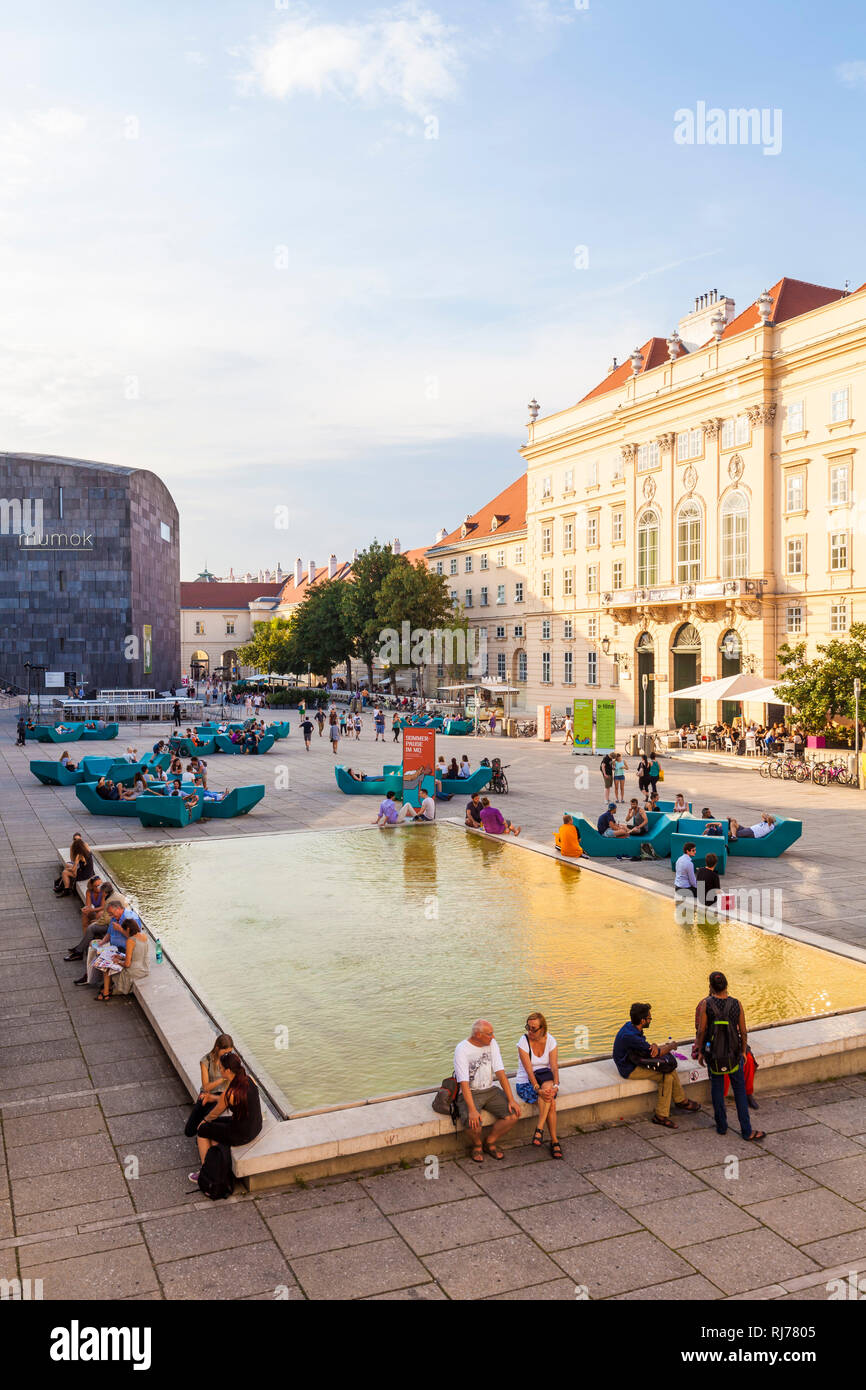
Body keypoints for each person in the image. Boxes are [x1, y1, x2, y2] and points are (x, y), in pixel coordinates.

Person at [694, 973, 765, 1141]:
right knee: (740, 1091)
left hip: (715, 1055)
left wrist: (701, 1050)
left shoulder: (706, 1004)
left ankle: (721, 1126)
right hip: (733, 1055)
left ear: (710, 986)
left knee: (717, 1090)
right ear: (727, 985)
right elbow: (743, 1031)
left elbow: (702, 1031)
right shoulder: (736, 1004)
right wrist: (742, 1052)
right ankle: (746, 1131)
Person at [613, 1002, 701, 1129]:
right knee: (667, 1076)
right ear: (642, 1020)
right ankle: (663, 1114)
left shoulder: (630, 1026)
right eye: (649, 1018)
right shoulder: (631, 1036)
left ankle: (681, 1101)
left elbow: (648, 1047)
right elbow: (656, 1052)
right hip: (629, 1068)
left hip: (634, 1060)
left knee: (669, 1068)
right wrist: (671, 1046)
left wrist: (653, 1046)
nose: (650, 1020)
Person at [453, 1020, 521, 1162]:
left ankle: (490, 1142)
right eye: (490, 1034)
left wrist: (511, 1100)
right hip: (470, 1091)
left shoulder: (492, 1044)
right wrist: (471, 1110)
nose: (493, 1037)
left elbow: (500, 1072)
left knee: (514, 1115)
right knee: (474, 1124)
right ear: (478, 1035)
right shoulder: (462, 1049)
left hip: (490, 1090)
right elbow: (464, 1083)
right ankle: (477, 1144)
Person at [190, 1051, 263, 1182]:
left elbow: (214, 1114)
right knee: (215, 1126)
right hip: (255, 1127)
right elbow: (228, 1100)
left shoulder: (230, 1093)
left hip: (241, 1134)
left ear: (228, 1070)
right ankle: (217, 1160)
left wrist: (203, 1121)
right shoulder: (248, 1079)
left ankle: (206, 1172)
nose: (219, 1070)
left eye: (221, 1068)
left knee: (203, 1130)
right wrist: (213, 1097)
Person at [516, 1013, 562, 1158]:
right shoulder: (523, 1042)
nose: (530, 1031)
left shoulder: (551, 1040)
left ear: (543, 1028)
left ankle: (539, 1129)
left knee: (548, 1091)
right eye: (528, 1027)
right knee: (551, 1102)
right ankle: (554, 1141)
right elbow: (529, 1070)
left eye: (534, 1029)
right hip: (527, 1081)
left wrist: (556, 1085)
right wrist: (537, 1089)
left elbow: (554, 1067)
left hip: (546, 1079)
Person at [184, 1034, 235, 1137]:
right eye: (225, 1052)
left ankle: (202, 1139)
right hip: (207, 1093)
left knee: (208, 1120)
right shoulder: (206, 1061)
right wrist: (223, 1078)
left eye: (230, 1052)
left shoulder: (231, 1060)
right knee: (189, 1131)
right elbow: (206, 1086)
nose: (228, 1055)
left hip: (222, 1095)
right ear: (217, 1048)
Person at [98, 916, 150, 1002]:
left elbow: (127, 964)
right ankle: (108, 990)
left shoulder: (130, 941)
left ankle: (106, 994)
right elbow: (137, 955)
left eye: (124, 930)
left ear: (128, 929)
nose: (124, 933)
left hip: (134, 972)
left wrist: (117, 961)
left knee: (106, 968)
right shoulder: (144, 936)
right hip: (145, 968)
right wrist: (121, 957)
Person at [64, 877, 112, 960]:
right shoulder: (89, 892)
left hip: (103, 913)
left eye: (100, 884)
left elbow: (103, 907)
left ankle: (81, 947)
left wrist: (92, 910)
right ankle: (84, 942)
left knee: (99, 914)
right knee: (85, 913)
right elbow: (88, 905)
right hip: (97, 912)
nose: (99, 887)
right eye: (96, 886)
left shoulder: (103, 892)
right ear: (92, 887)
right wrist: (86, 909)